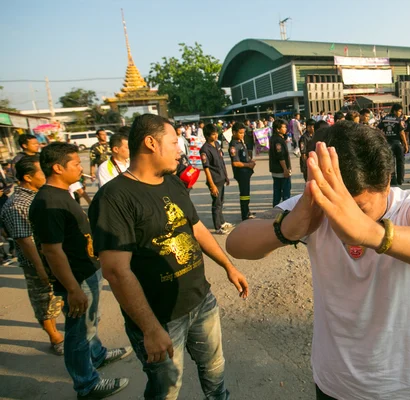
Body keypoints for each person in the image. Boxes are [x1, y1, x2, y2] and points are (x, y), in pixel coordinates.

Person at [225, 121, 410, 400]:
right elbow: (236, 242)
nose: (343, 218)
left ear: (387, 181)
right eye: (337, 207)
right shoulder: (313, 205)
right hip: (332, 384)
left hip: (401, 387)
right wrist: (288, 228)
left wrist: (372, 233)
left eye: (359, 208)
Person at [88, 114, 249, 400]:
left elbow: (196, 229)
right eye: (174, 142)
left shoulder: (172, 182)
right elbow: (115, 271)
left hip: (201, 300)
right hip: (159, 318)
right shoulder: (113, 199)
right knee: (167, 388)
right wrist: (149, 329)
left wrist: (228, 266)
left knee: (214, 368)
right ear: (150, 143)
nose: (180, 149)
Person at [29, 143, 131, 399]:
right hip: (76, 278)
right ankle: (86, 385)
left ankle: (96, 355)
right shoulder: (47, 202)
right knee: (78, 331)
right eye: (75, 163)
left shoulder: (63, 192)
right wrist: (73, 288)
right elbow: (52, 251)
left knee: (89, 322)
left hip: (87, 270)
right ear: (57, 167)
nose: (81, 168)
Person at [0, 156, 64, 355]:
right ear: (28, 177)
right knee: (43, 300)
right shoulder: (17, 205)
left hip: (54, 256)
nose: (47, 175)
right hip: (38, 261)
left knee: (59, 297)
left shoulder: (40, 195)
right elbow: (26, 242)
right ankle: (55, 338)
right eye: (42, 173)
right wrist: (41, 269)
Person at [201, 124, 233, 235]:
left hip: (221, 178)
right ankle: (218, 226)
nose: (216, 136)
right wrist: (212, 185)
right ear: (207, 135)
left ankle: (222, 221)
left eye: (216, 133)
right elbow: (206, 169)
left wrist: (226, 176)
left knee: (221, 202)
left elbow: (221, 162)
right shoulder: (205, 149)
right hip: (214, 180)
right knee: (216, 203)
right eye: (213, 134)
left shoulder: (217, 144)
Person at [229, 122, 256, 221]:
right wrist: (249, 165)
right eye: (240, 133)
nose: (242, 135)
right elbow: (235, 163)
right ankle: (244, 214)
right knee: (244, 194)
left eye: (243, 133)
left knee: (246, 193)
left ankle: (247, 211)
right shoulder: (234, 145)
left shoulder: (240, 142)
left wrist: (250, 161)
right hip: (241, 173)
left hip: (246, 172)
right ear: (234, 133)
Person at [377, 103, 408, 186]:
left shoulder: (384, 118)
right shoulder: (397, 120)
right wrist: (406, 144)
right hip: (397, 143)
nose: (400, 113)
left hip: (388, 143)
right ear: (395, 111)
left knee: (391, 162)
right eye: (399, 111)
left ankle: (393, 181)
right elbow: (402, 133)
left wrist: (383, 137)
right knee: (400, 162)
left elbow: (378, 129)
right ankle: (400, 180)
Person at [269, 119, 292, 207]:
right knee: (285, 192)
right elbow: (280, 156)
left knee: (277, 192)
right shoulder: (278, 140)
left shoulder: (274, 138)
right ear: (277, 129)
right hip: (281, 170)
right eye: (283, 127)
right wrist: (285, 169)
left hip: (275, 170)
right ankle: (285, 210)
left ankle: (275, 210)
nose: (285, 128)